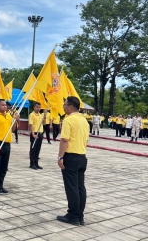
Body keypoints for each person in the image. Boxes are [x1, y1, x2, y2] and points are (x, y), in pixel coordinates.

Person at [57, 96, 89, 226]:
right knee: (80, 187)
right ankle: (80, 215)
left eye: (65, 104)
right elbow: (86, 140)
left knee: (72, 188)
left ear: (71, 106)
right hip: (82, 156)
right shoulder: (84, 121)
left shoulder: (69, 120)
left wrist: (60, 157)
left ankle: (73, 215)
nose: (63, 107)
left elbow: (64, 140)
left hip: (71, 156)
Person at [0, 99, 20, 194]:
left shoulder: (8, 116)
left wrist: (15, 120)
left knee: (4, 166)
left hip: (7, 143)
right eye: (2, 105)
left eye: (5, 105)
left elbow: (12, 130)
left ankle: (0, 184)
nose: (5, 107)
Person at [29, 102, 46, 170]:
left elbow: (44, 124)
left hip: (40, 132)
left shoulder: (41, 115)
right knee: (33, 149)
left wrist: (44, 118)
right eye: (37, 107)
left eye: (39, 107)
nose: (38, 108)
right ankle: (32, 163)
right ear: (34, 107)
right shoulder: (31, 115)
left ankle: (36, 163)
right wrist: (33, 134)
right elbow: (31, 125)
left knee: (38, 149)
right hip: (35, 133)